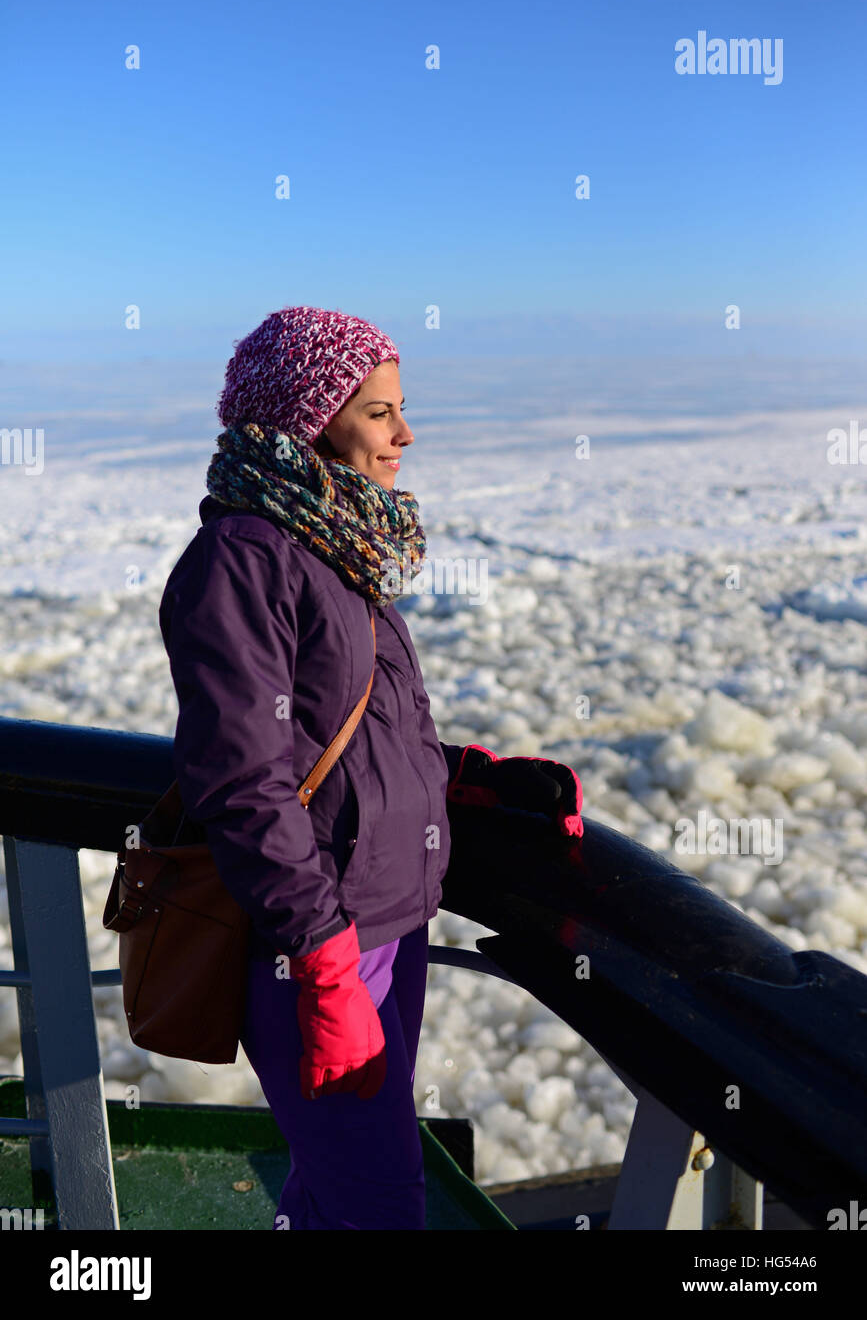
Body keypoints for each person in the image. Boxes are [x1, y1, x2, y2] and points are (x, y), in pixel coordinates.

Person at [158, 306, 584, 1230]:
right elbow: (246, 781)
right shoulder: (245, 557)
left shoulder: (335, 540)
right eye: (380, 412)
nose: (405, 433)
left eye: (401, 410)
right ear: (309, 419)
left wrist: (470, 781)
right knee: (380, 1206)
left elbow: (354, 733)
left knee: (336, 1188)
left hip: (388, 918)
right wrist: (318, 963)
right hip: (316, 941)